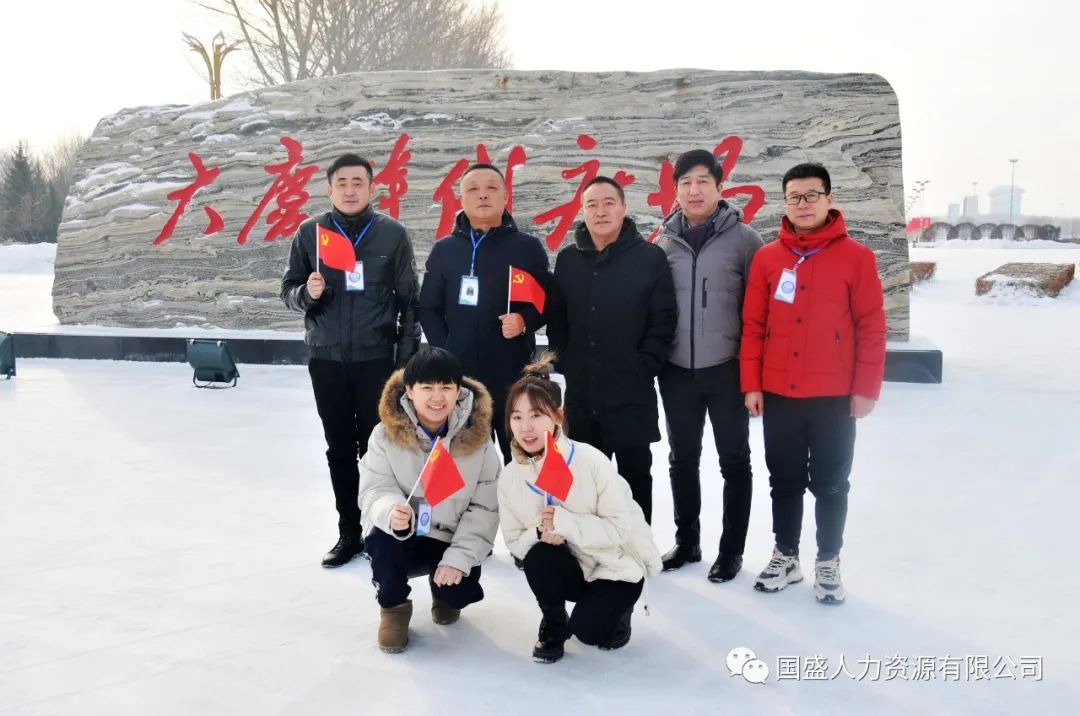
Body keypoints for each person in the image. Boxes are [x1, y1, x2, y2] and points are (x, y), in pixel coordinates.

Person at [739, 162, 886, 605]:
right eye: (794, 197)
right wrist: (752, 384)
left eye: (811, 195)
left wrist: (866, 388)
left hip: (834, 397)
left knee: (831, 482)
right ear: (785, 203)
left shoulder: (857, 257)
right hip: (779, 393)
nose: (803, 204)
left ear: (829, 199)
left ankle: (828, 560)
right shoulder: (768, 258)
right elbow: (753, 325)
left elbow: (871, 327)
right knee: (783, 480)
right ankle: (786, 555)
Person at [281, 153, 420, 568]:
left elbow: (410, 302)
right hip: (326, 360)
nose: (349, 190)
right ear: (329, 189)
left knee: (378, 449)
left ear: (371, 187)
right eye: (341, 183)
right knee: (339, 449)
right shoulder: (310, 233)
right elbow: (287, 291)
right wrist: (307, 293)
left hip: (377, 360)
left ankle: (384, 531)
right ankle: (349, 532)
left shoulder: (392, 234)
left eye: (358, 182)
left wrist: (404, 365)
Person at [498, 355, 661, 663]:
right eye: (516, 417)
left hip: (614, 565)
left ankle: (618, 610)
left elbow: (619, 529)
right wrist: (540, 534)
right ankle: (554, 621)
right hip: (570, 566)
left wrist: (565, 523)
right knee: (539, 557)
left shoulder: (591, 461)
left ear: (558, 416)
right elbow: (514, 542)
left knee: (589, 632)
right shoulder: (509, 477)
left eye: (536, 415)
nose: (526, 427)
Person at [655, 149, 764, 581]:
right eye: (685, 182)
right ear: (676, 190)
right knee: (682, 459)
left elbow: (760, 313)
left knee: (734, 461)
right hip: (677, 370)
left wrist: (754, 374)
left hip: (727, 369)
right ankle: (688, 541)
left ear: (720, 187)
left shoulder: (745, 240)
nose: (694, 190)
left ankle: (731, 551)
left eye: (703, 181)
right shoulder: (664, 243)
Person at [545, 176, 677, 522]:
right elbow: (557, 318)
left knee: (635, 483)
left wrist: (645, 365)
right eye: (592, 204)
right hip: (582, 395)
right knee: (585, 484)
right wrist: (566, 361)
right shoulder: (569, 260)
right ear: (582, 211)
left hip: (631, 394)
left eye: (608, 203)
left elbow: (663, 319)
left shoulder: (649, 258)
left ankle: (636, 547)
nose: (600, 211)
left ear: (623, 208)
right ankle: (591, 546)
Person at [358, 347, 501, 652]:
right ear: (409, 391)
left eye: (446, 387)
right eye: (427, 388)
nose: (437, 397)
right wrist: (391, 512)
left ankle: (443, 591)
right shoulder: (384, 435)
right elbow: (374, 489)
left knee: (457, 594)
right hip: (406, 534)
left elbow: (485, 507)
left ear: (458, 391)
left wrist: (457, 559)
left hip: (450, 536)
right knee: (382, 540)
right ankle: (393, 608)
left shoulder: (478, 439)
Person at [419, 163, 551, 461]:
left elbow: (544, 301)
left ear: (505, 196)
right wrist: (447, 351)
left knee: (521, 458)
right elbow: (428, 307)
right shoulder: (445, 250)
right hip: (461, 377)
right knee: (467, 462)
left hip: (512, 373)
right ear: (461, 198)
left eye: (491, 188)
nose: (482, 195)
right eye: (473, 189)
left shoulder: (527, 247)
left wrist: (524, 321)